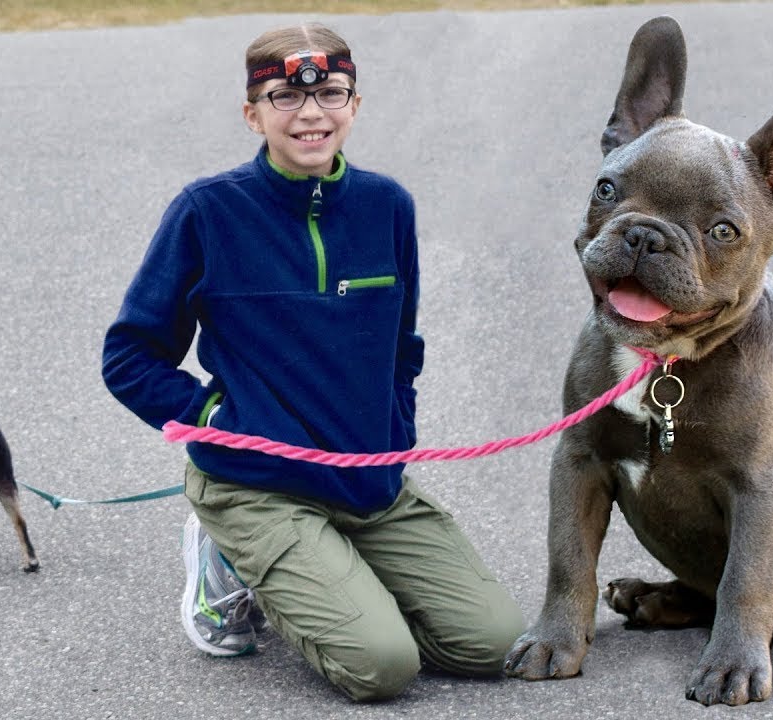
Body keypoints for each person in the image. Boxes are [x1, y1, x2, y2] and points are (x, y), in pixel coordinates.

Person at [101, 23, 524, 702]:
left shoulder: (388, 207)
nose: (310, 115)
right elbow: (128, 356)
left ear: (355, 104)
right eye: (285, 98)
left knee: (497, 643)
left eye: (330, 93)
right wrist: (217, 417)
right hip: (256, 483)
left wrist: (393, 432)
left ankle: (333, 571)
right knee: (383, 666)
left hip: (368, 482)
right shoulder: (208, 213)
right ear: (253, 113)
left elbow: (402, 348)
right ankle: (228, 558)